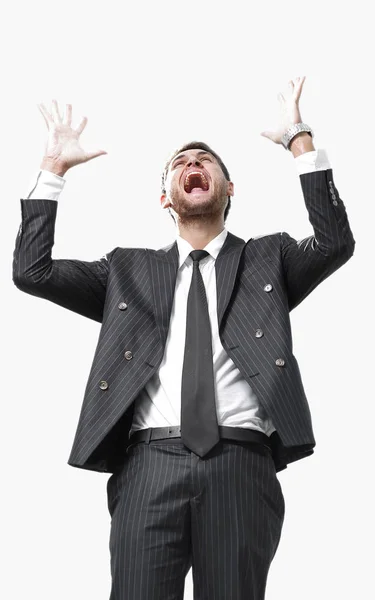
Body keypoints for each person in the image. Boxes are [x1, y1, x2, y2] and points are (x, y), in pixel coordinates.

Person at [13, 76, 355, 600]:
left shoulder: (270, 259)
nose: (193, 165)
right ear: (164, 197)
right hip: (149, 467)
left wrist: (300, 141)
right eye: (180, 163)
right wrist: (53, 172)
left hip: (241, 464)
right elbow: (31, 273)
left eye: (206, 161)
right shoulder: (125, 271)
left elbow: (334, 242)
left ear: (229, 188)